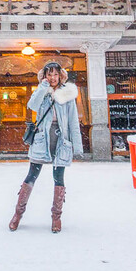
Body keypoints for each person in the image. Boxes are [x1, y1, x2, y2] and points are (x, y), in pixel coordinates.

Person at [8, 61, 83, 233]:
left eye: (55, 74)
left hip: (61, 139)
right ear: (44, 76)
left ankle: (56, 217)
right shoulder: (41, 91)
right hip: (42, 138)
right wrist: (43, 87)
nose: (53, 78)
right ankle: (17, 214)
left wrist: (76, 146)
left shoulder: (68, 94)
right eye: (49, 74)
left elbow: (73, 121)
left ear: (61, 75)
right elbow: (32, 106)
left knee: (59, 178)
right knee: (31, 175)